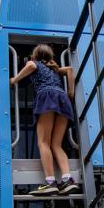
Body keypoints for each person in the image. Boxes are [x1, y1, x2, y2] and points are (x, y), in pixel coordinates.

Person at [10, 43, 76, 196]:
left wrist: (14, 80)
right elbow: (70, 70)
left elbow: (31, 66)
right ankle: (67, 179)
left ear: (36, 55)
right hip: (63, 99)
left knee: (43, 142)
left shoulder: (35, 63)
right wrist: (70, 93)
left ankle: (50, 182)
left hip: (46, 97)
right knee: (56, 145)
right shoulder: (55, 70)